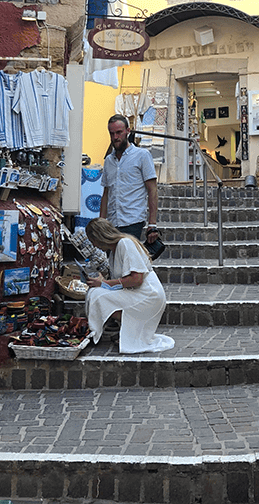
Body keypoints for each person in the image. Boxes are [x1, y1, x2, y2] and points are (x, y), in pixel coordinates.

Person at [83, 218, 175, 353]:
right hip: (138, 292)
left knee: (97, 296)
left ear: (99, 237)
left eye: (93, 241)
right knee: (94, 293)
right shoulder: (115, 250)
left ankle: (98, 333)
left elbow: (137, 279)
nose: (94, 246)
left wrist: (105, 283)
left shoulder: (125, 243)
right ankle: (120, 330)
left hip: (148, 295)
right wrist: (103, 281)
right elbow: (122, 280)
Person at [100, 114, 163, 257]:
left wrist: (152, 224)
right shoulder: (108, 161)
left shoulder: (142, 155)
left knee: (128, 263)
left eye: (119, 132)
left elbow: (152, 190)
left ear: (128, 131)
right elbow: (106, 194)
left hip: (132, 220)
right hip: (112, 223)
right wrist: (101, 223)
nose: (115, 137)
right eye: (112, 133)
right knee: (114, 264)